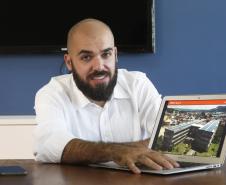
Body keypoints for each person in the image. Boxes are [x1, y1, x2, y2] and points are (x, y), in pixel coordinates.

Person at [33, 18, 179, 174]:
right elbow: (50, 146)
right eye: (86, 57)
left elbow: (166, 140)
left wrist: (87, 151)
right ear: (69, 62)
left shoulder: (138, 84)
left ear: (115, 54)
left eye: (106, 54)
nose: (99, 66)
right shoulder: (51, 93)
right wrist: (115, 152)